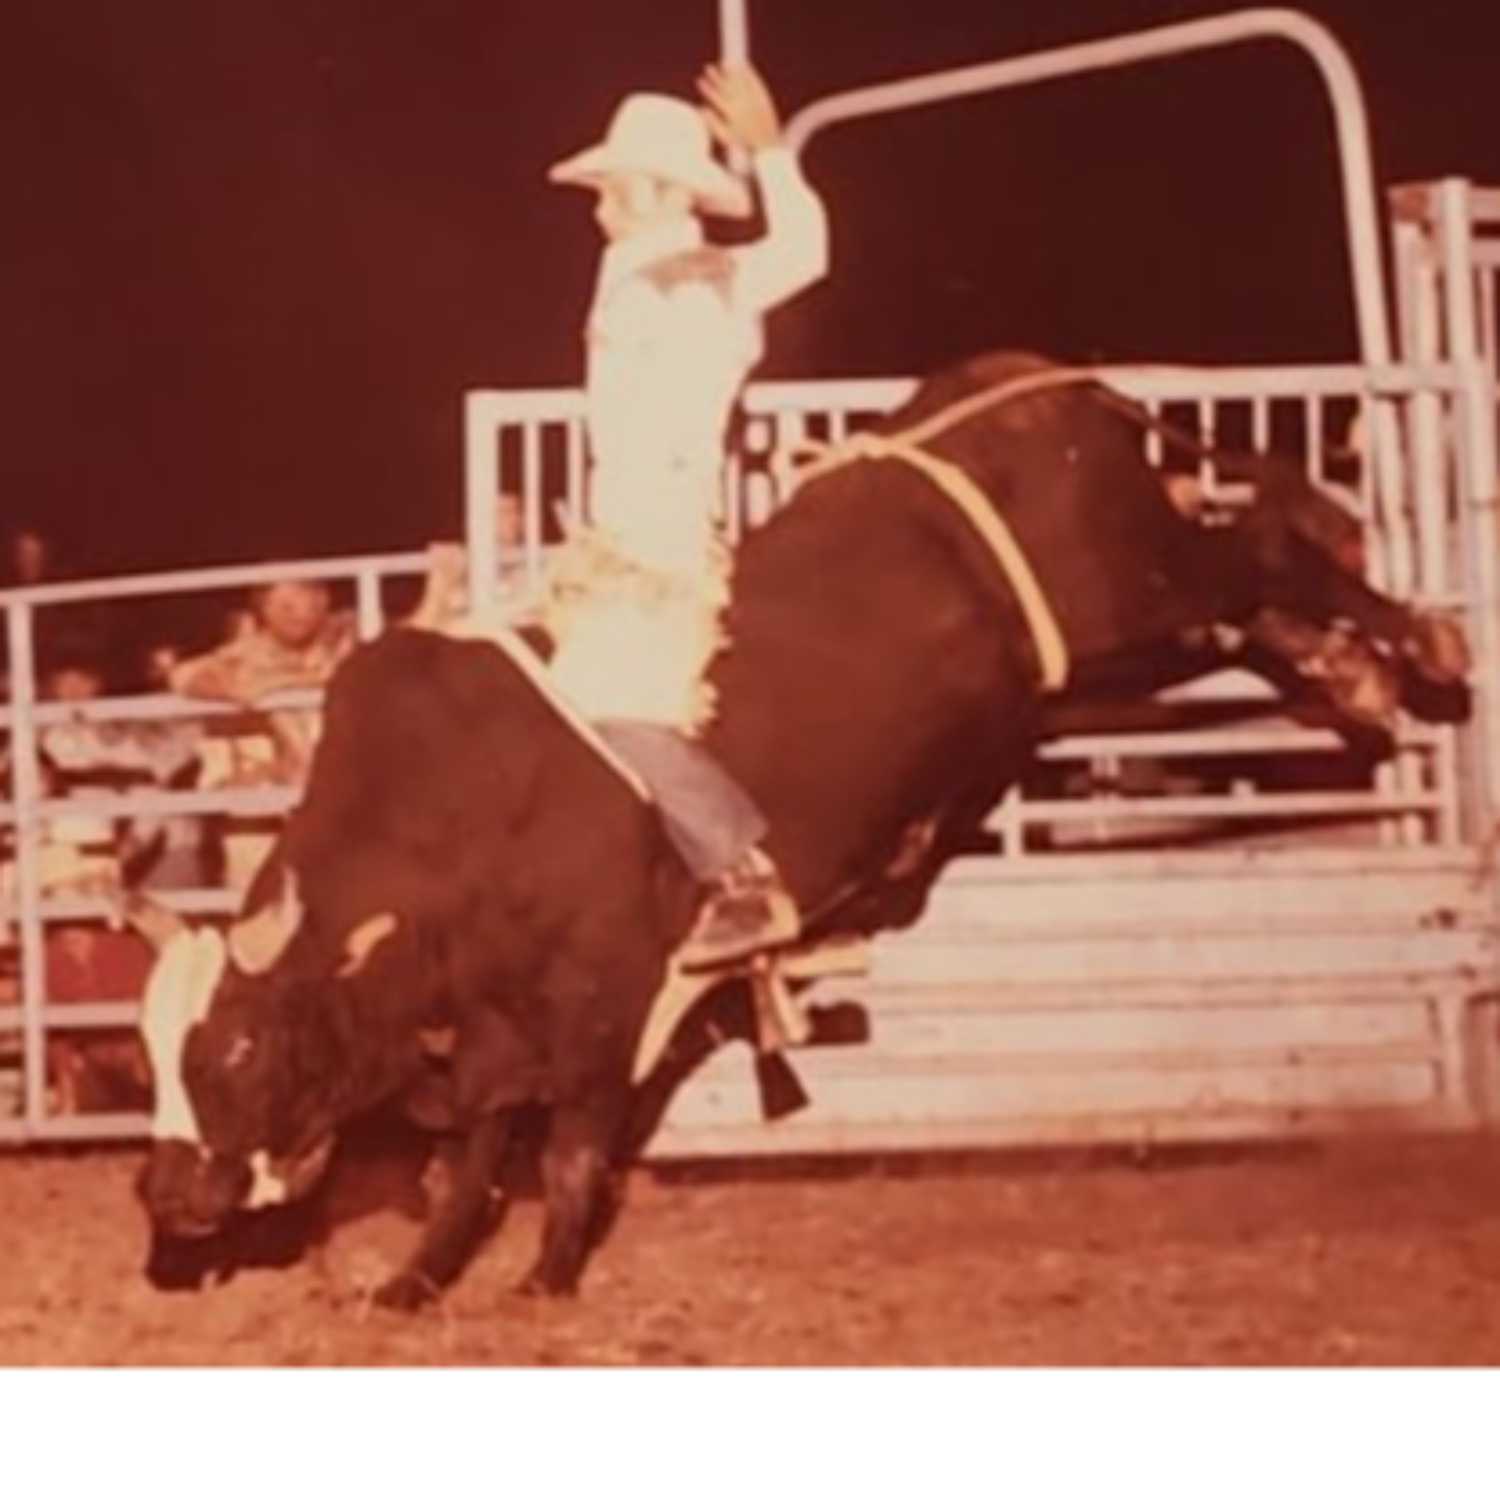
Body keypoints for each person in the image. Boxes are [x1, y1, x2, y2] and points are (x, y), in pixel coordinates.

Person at [546, 61, 829, 967]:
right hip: (627, 530)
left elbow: (804, 253)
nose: (599, 206)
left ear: (666, 192)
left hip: (657, 534)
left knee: (611, 707)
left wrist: (769, 152)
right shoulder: (643, 269)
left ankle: (743, 873)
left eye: (615, 189)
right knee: (578, 708)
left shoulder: (695, 272)